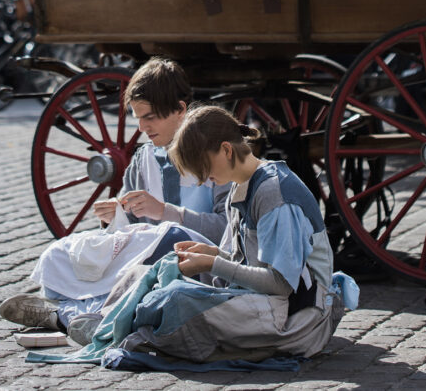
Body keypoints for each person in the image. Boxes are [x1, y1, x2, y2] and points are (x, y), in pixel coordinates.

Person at [0, 58, 229, 344]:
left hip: (193, 255)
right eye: (138, 118)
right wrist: (118, 214)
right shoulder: (144, 159)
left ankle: (71, 316)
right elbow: (132, 227)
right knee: (60, 252)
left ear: (181, 110)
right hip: (147, 249)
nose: (143, 127)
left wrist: (167, 212)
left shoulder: (215, 156)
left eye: (151, 117)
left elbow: (230, 230)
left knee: (169, 238)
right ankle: (74, 315)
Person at [93, 104, 346, 363]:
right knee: (149, 271)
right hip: (263, 300)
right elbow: (246, 261)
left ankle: (122, 329)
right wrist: (213, 254)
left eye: (203, 167)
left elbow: (281, 284)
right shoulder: (239, 185)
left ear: (226, 150)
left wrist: (214, 264)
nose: (203, 180)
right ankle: (107, 325)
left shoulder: (274, 194)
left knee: (176, 301)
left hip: (298, 319)